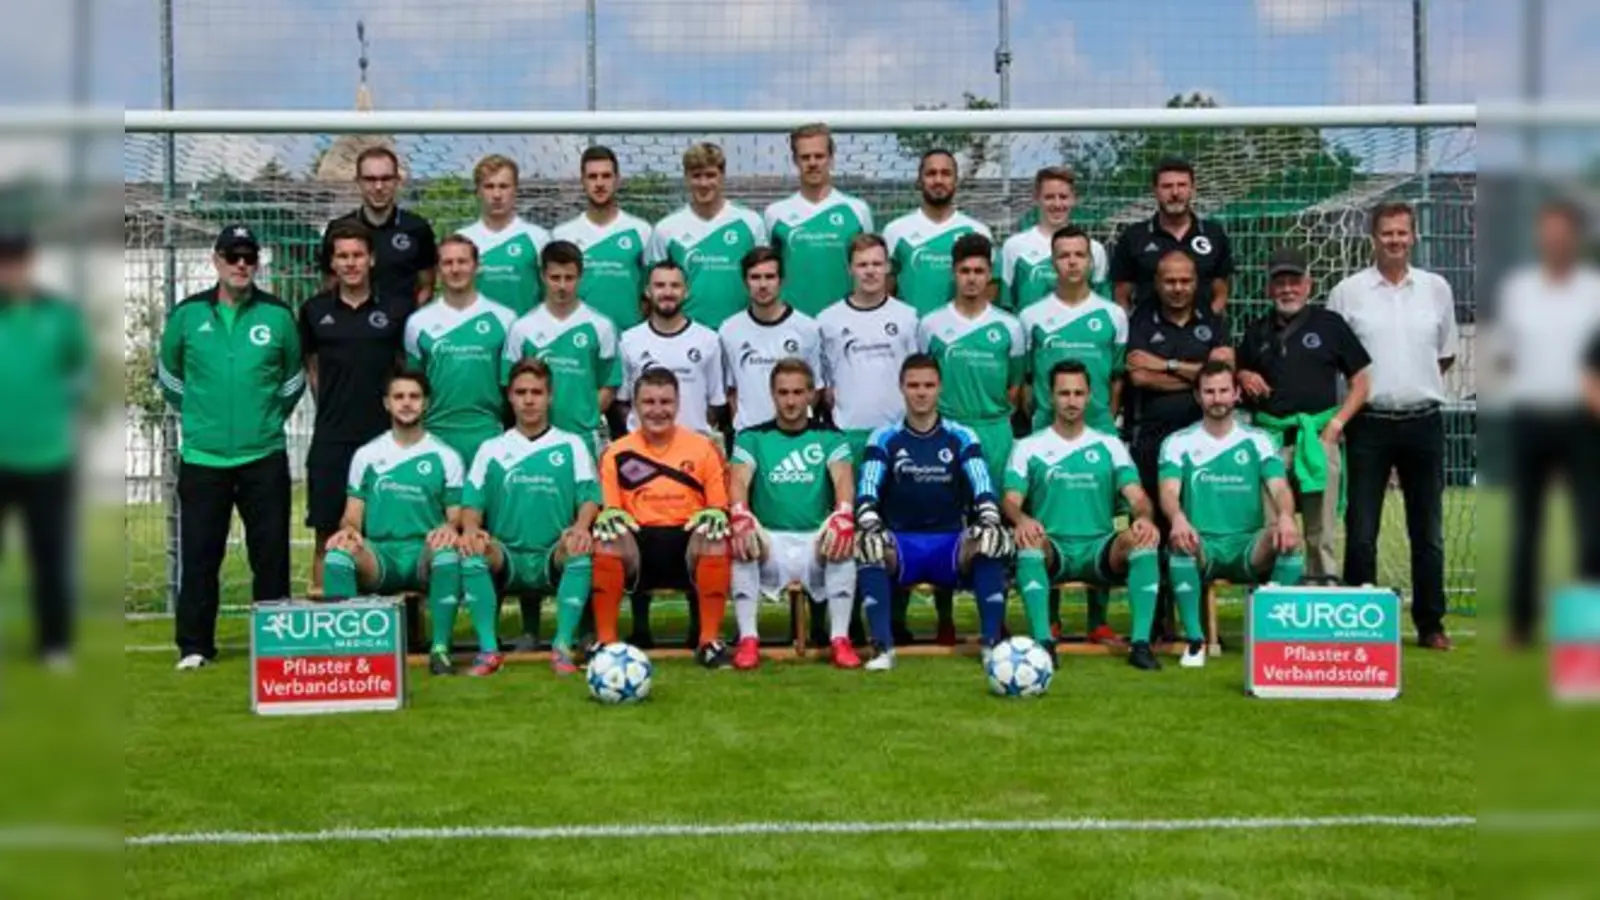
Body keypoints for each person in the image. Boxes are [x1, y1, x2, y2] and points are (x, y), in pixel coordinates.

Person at [158, 225, 305, 669]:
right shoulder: (186, 315)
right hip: (204, 458)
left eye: (249, 257)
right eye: (232, 256)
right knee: (201, 555)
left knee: (271, 554)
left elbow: (293, 378)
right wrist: (201, 418)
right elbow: (168, 376)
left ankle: (275, 643)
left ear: (257, 262)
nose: (241, 264)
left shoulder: (278, 315)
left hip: (263, 455)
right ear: (216, 261)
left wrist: (265, 418)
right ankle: (195, 646)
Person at [1328, 201, 1460, 650]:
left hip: (1423, 421)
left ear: (1414, 236)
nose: (1395, 241)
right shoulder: (1347, 292)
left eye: (1403, 233)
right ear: (1373, 237)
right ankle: (1360, 619)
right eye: (1387, 233)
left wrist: (1410, 387)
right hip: (1368, 424)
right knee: (1362, 528)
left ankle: (1430, 624)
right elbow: (1338, 361)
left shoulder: (1437, 289)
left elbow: (1444, 354)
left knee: (1428, 532)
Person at [855, 354, 1012, 671]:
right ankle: (883, 648)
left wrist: (989, 516)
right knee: (868, 545)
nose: (921, 392)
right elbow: (867, 491)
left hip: (950, 545)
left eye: (928, 385)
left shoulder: (961, 435)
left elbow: (982, 483)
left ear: (940, 387)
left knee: (992, 540)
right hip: (902, 545)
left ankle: (992, 645)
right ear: (901, 388)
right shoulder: (884, 437)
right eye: (913, 385)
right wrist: (870, 521)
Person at [1004, 360, 1163, 670]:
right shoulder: (1028, 447)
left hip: (1099, 550)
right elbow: (1010, 501)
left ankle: (1141, 644)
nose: (1072, 400)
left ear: (1090, 396)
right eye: (1064, 393)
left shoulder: (1109, 445)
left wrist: (1143, 517)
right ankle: (1044, 644)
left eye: (1078, 393)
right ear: (1050, 397)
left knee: (1142, 539)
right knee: (1028, 541)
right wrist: (1021, 519)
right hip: (1055, 548)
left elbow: (1139, 498)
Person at [1492, 199, 1600, 647]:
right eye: (1548, 231)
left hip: (1583, 421)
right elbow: (1505, 353)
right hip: (1530, 417)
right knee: (1526, 525)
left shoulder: (1594, 290)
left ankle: (1587, 628)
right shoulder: (1518, 289)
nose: (1555, 239)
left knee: (1591, 523)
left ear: (1575, 237)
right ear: (1540, 236)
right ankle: (1521, 624)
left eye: (1564, 231)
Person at [1018, 224, 1128, 644]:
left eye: (1079, 255)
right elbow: (1026, 380)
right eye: (1063, 256)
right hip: (1046, 428)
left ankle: (1098, 620)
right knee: (1045, 520)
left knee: (1102, 519)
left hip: (1097, 426)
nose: (1072, 262)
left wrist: (1108, 419)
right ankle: (1050, 619)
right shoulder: (1032, 316)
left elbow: (1117, 377)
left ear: (1090, 260)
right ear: (1053, 262)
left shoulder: (1113, 315)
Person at [1236, 247, 1372, 583]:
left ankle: (1322, 589)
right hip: (1270, 443)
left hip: (1316, 439)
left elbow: (1362, 382)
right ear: (1269, 288)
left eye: (1294, 281)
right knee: (1272, 528)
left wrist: (1336, 425)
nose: (1287, 289)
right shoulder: (1255, 331)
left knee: (1319, 530)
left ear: (1308, 285)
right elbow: (1235, 374)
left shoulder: (1330, 325)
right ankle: (1273, 595)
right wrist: (1241, 375)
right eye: (1279, 282)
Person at [320, 371, 468, 675]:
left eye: (414, 397)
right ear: (387, 403)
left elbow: (456, 515)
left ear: (426, 403)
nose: (407, 403)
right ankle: (351, 655)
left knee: (447, 555)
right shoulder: (367, 455)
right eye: (399, 397)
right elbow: (352, 515)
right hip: (382, 555)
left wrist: (449, 528)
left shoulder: (446, 456)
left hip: (421, 553)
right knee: (336, 557)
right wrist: (347, 532)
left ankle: (440, 650)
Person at [458, 358, 600, 676]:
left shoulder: (571, 444)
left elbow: (590, 496)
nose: (529, 399)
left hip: (553, 552)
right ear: (510, 396)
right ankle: (488, 650)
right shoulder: (491, 448)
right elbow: (472, 502)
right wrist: (470, 530)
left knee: (578, 547)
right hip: (507, 554)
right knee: (472, 551)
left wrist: (579, 527)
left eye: (537, 392)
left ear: (550, 397)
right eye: (521, 392)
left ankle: (562, 647)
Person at [1159, 362, 1305, 668]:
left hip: (1247, 546)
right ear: (1198, 397)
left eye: (1224, 390)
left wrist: (1286, 516)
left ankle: (1272, 639)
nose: (1217, 398)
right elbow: (1169, 492)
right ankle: (1196, 642)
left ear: (1237, 394)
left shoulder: (1259, 440)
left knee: (1290, 541)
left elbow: (1279, 488)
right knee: (1178, 542)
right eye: (1209, 392)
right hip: (1204, 545)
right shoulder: (1178, 442)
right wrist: (1178, 518)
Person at [1122, 250, 1233, 643]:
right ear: (1157, 282)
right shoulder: (1141, 319)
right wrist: (1197, 373)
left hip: (1205, 442)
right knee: (1157, 525)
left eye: (1185, 280)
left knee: (1195, 528)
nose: (1178, 288)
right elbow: (1138, 376)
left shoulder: (1212, 321)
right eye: (1170, 280)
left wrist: (1166, 366)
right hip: (1153, 438)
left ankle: (1198, 624)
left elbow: (1223, 373)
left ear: (1196, 282)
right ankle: (1155, 622)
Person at [590, 368, 734, 668]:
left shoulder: (703, 447)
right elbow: (610, 510)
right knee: (607, 537)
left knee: (715, 534)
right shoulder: (616, 452)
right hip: (638, 546)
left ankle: (709, 642)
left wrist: (716, 512)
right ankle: (605, 643)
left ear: (678, 404)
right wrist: (611, 515)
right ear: (635, 406)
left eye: (665, 402)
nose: (658, 410)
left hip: (687, 543)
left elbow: (720, 505)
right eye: (649, 402)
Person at [297, 220, 409, 598]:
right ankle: (330, 626)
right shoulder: (313, 311)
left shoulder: (395, 310)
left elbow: (403, 368)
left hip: (383, 439)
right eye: (342, 256)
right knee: (327, 535)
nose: (350, 263)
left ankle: (395, 632)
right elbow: (311, 368)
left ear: (371, 259)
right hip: (332, 438)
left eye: (357, 255)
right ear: (333, 262)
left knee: (383, 534)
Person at [728, 359, 860, 669]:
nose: (790, 401)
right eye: (783, 392)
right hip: (770, 544)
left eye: (798, 392)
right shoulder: (751, 437)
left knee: (842, 535)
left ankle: (840, 638)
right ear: (772, 394)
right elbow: (738, 480)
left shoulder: (831, 437)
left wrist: (844, 512)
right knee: (742, 536)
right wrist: (739, 514)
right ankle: (748, 639)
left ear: (811, 394)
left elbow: (843, 478)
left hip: (814, 543)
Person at [0, 227, 90, 668]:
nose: (10, 269)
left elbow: (82, 369)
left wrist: (59, 403)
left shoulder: (59, 315)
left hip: (48, 456)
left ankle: (54, 646)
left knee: (49, 554)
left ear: (28, 264)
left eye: (16, 260)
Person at [403, 235, 518, 466]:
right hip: (435, 435)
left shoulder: (505, 320)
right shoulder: (418, 323)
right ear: (438, 269)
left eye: (462, 261)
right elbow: (413, 387)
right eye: (447, 263)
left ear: (476, 266)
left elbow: (513, 387)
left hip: (487, 434)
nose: (455, 269)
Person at [502, 240, 621, 460]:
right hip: (533, 439)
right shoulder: (522, 328)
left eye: (569, 278)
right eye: (555, 278)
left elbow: (609, 384)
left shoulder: (601, 326)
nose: (562, 286)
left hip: (583, 439)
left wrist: (585, 415)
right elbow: (509, 384)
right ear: (543, 276)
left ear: (580, 277)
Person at [817, 233, 921, 464]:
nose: (870, 271)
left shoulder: (908, 317)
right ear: (850, 269)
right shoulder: (827, 320)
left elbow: (917, 377)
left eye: (876, 263)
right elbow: (825, 385)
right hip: (847, 435)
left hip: (898, 433)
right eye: (862, 264)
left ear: (887, 267)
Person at [648, 142, 767, 329]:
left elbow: (765, 278)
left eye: (710, 175)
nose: (703, 183)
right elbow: (654, 290)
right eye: (696, 176)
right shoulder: (666, 229)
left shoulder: (751, 223)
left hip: (743, 331)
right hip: (686, 334)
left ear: (722, 177)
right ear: (687, 178)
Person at [763, 122, 874, 318]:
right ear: (795, 160)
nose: (812, 162)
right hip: (792, 322)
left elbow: (871, 266)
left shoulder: (857, 210)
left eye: (819, 156)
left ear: (831, 159)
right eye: (805, 157)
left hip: (848, 319)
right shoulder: (776, 213)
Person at [719, 247, 826, 433]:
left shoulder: (807, 328)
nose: (762, 285)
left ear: (781, 281)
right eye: (755, 277)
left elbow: (816, 388)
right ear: (745, 282)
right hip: (749, 437)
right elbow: (731, 390)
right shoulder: (729, 330)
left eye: (769, 277)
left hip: (796, 438)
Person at [1109, 157, 1234, 316]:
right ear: (1155, 190)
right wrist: (1133, 329)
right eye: (1167, 186)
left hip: (1202, 336)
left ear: (1192, 189)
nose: (1175, 193)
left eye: (1182, 185)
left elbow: (1221, 292)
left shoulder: (1214, 234)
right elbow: (1121, 294)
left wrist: (1208, 324)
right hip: (1147, 336)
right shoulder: (1133, 236)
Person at [616, 260, 726, 438]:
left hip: (693, 449)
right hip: (644, 451)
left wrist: (692, 434)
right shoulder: (629, 340)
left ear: (686, 291)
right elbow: (622, 402)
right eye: (660, 286)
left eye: (675, 286)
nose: (667, 292)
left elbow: (716, 402)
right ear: (647, 291)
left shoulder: (708, 340)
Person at [552, 145, 654, 333]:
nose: (599, 183)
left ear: (617, 180)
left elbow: (652, 291)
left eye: (606, 176)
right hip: (579, 340)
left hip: (629, 340)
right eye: (592, 176)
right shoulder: (562, 234)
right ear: (582, 181)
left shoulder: (641, 231)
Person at [882, 148, 995, 318]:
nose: (938, 180)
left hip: (959, 339)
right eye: (931, 173)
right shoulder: (895, 231)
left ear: (956, 180)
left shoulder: (978, 231)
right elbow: (884, 292)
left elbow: (990, 291)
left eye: (946, 173)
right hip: (912, 337)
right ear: (919, 181)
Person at [321, 147, 437, 307]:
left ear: (397, 181)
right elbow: (330, 286)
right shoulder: (338, 229)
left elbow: (427, 286)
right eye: (370, 179)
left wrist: (409, 322)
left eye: (386, 178)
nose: (378, 187)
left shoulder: (417, 228)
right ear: (358, 182)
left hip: (402, 328)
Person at [1001, 167, 1110, 312]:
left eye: (1063, 197)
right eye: (1049, 197)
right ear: (1036, 198)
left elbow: (1103, 306)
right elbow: (1005, 305)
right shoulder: (1014, 247)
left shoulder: (1095, 249)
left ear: (1073, 199)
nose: (1057, 204)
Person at [457, 153, 550, 316]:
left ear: (515, 190)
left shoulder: (537, 237)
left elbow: (551, 297)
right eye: (489, 186)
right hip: (478, 339)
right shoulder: (463, 240)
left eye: (503, 186)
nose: (497, 195)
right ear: (478, 191)